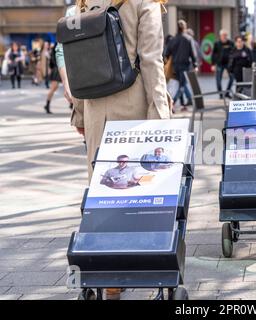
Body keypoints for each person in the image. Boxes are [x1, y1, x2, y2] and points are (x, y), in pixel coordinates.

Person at [56, 0, 171, 300]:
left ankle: (110, 280)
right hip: (133, 111)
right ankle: (146, 272)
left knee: (104, 195)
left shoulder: (85, 2)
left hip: (96, 111)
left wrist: (79, 113)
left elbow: (81, 60)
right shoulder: (144, 2)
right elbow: (151, 61)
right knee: (140, 195)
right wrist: (161, 117)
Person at [164, 20, 197, 110]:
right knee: (182, 85)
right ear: (185, 27)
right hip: (185, 66)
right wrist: (195, 65)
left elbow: (167, 53)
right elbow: (193, 54)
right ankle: (173, 102)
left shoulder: (173, 40)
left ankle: (186, 101)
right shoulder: (188, 39)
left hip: (175, 66)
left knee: (182, 84)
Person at [44, 44, 71, 114]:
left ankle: (72, 104)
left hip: (62, 68)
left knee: (70, 87)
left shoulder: (59, 44)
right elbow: (53, 60)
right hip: (58, 69)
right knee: (54, 88)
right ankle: (47, 104)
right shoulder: (58, 45)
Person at [211, 29, 235, 99]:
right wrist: (213, 64)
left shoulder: (230, 43)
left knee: (232, 78)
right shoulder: (217, 43)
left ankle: (227, 93)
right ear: (220, 36)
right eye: (223, 35)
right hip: (219, 64)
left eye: (226, 35)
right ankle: (221, 95)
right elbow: (213, 54)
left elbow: (233, 52)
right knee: (218, 80)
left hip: (228, 64)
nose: (225, 36)